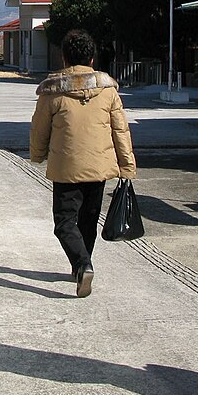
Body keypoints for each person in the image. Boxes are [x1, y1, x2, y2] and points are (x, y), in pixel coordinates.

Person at [30, 29, 136, 298]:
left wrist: (37, 155)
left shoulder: (53, 90)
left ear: (64, 58)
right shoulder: (108, 89)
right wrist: (127, 165)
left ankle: (82, 264)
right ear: (91, 59)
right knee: (88, 219)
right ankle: (81, 266)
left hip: (66, 167)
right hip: (99, 167)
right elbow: (120, 130)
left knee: (64, 222)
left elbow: (39, 128)